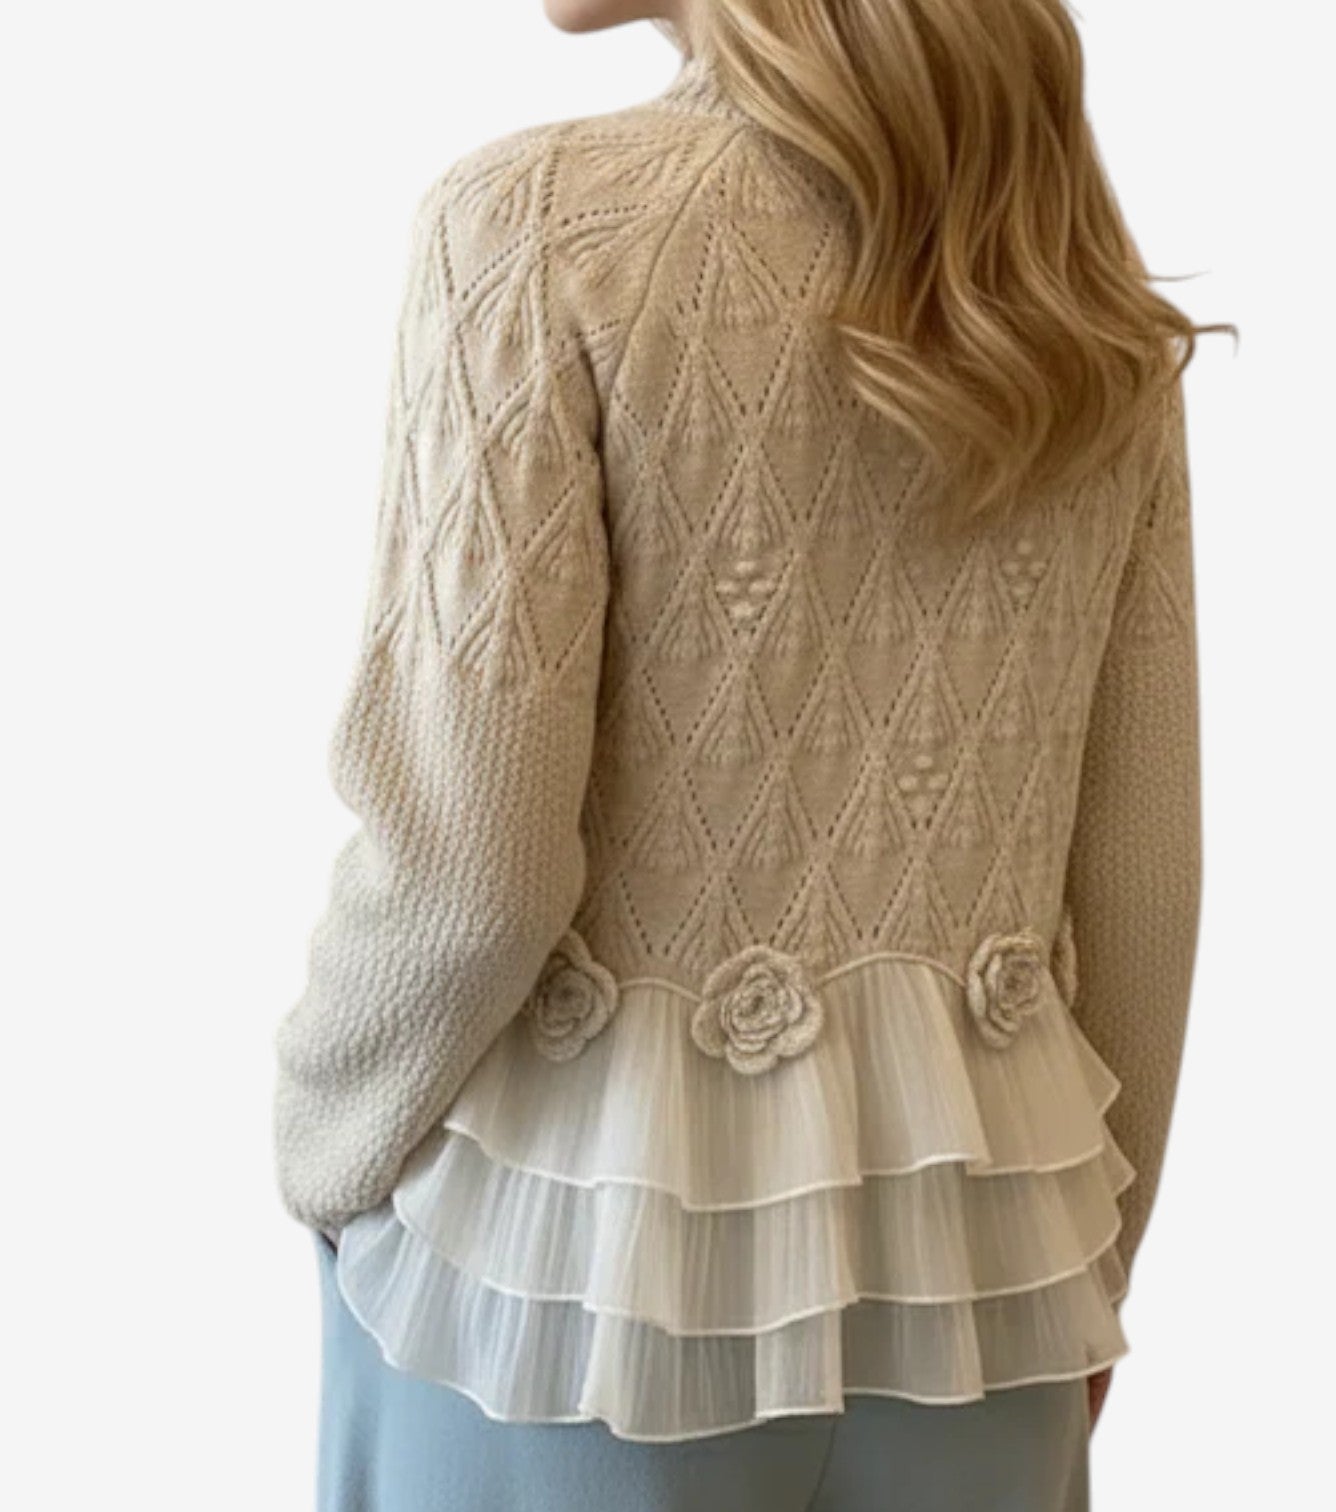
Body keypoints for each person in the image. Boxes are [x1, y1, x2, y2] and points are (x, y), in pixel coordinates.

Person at [272, 2, 1229, 1506]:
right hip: (982, 1279)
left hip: (569, 1284)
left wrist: (325, 1143)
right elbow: (1140, 876)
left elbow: (474, 866)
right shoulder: (1064, 287)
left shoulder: (536, 228)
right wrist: (1089, 1262)